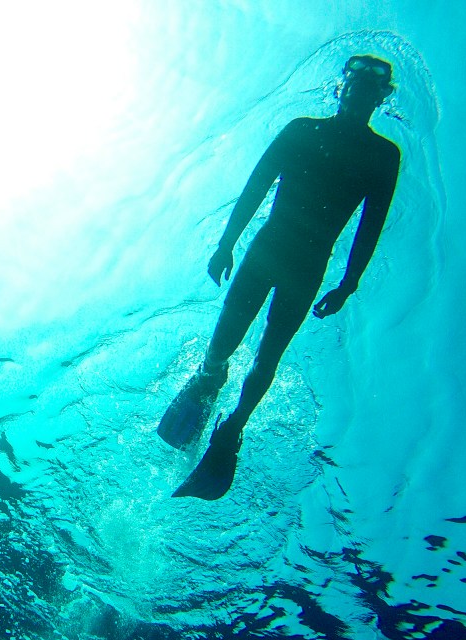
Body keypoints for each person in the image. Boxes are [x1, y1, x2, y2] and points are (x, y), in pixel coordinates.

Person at [160, 54, 401, 500]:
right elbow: (256, 185)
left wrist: (349, 284)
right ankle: (210, 378)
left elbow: (372, 224)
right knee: (226, 339)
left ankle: (234, 426)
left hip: (306, 266)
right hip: (268, 252)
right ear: (340, 88)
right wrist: (225, 243)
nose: (357, 95)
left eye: (369, 90)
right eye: (353, 85)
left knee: (268, 355)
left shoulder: (384, 157)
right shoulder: (301, 130)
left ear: (380, 99)